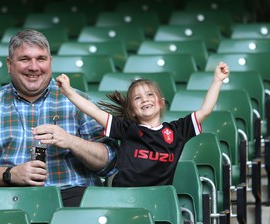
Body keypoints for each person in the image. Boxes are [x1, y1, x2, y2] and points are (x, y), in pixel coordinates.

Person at [0, 29, 118, 207]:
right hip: (10, 198)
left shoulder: (78, 101)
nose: (34, 67)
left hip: (71, 195)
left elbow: (109, 162)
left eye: (41, 59)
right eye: (24, 59)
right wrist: (11, 174)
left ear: (50, 62)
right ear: (9, 64)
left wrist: (72, 141)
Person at [56, 62, 230, 187]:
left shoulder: (177, 131)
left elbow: (205, 110)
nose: (144, 100)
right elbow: (94, 111)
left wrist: (217, 81)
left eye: (149, 95)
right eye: (138, 98)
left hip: (159, 197)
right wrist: (69, 92)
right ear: (132, 110)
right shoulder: (127, 129)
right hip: (123, 195)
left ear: (160, 102)